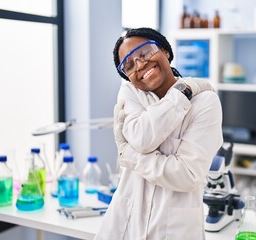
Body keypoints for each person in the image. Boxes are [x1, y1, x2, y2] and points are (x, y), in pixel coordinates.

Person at [95, 27, 223, 240]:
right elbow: (143, 139)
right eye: (128, 65)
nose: (140, 64)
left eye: (145, 52)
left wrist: (130, 156)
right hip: (125, 224)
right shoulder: (130, 92)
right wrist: (182, 92)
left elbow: (187, 176)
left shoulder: (205, 103)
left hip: (176, 231)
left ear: (165, 51)